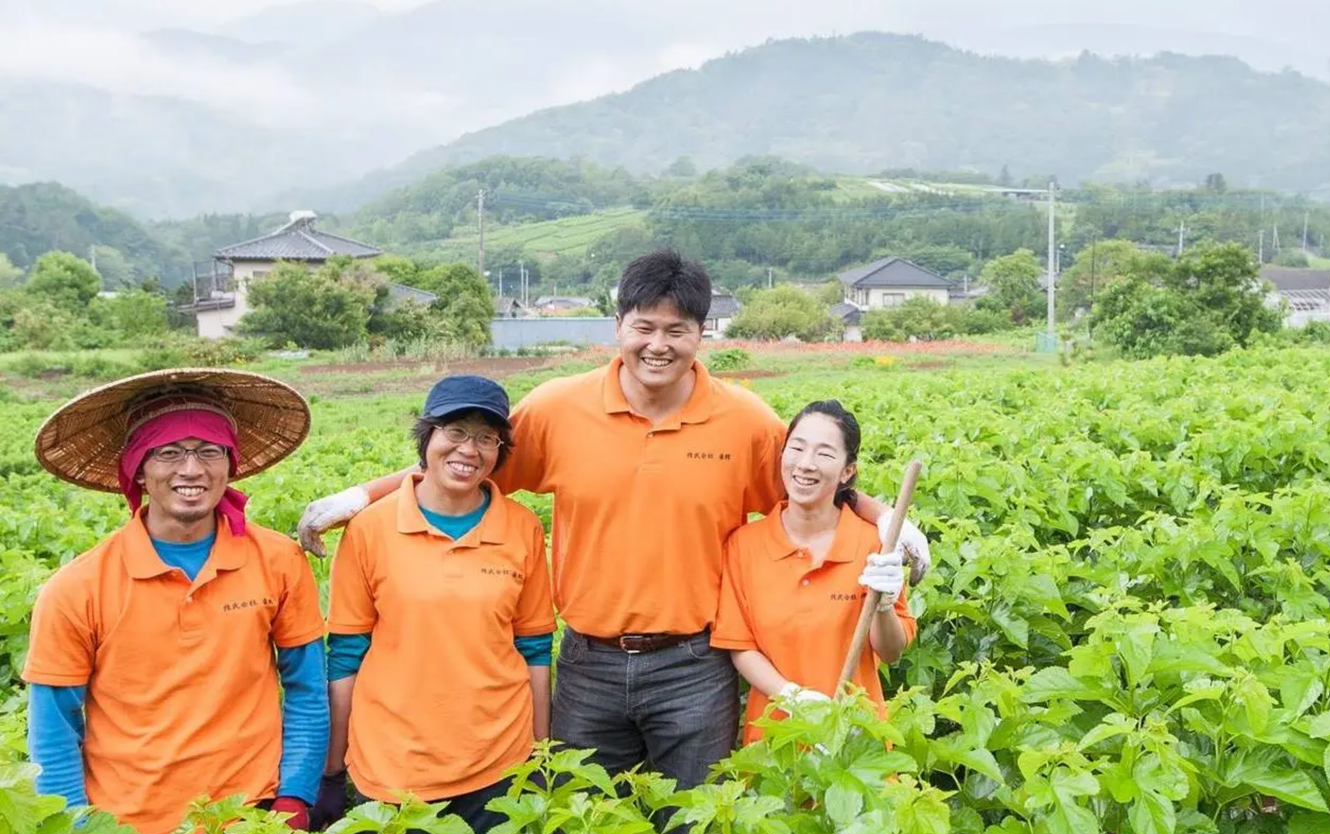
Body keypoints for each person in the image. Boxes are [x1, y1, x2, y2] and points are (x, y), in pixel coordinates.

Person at [296, 250, 931, 790]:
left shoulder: (743, 421)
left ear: (702, 334)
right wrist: (362, 497)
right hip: (588, 662)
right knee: (586, 825)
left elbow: (809, 483)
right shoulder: (558, 409)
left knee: (695, 825)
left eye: (677, 330)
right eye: (644, 326)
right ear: (618, 325)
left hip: (696, 664)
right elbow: (463, 464)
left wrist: (887, 519)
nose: (658, 345)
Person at [23, 369, 328, 834]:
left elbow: (307, 688)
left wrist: (295, 794)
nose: (191, 469)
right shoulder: (77, 587)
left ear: (230, 464)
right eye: (168, 452)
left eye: (209, 451)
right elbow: (53, 730)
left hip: (252, 819)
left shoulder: (279, 560)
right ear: (138, 469)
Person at [309, 375, 555, 834]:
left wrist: (541, 757)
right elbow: (345, 655)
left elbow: (535, 649)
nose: (469, 449)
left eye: (486, 438)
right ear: (426, 438)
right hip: (393, 766)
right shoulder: (370, 529)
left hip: (499, 762)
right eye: (455, 431)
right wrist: (332, 770)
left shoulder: (522, 527)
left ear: (500, 451)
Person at [712, 400, 917, 744]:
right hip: (775, 740)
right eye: (797, 448)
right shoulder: (744, 545)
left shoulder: (873, 544)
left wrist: (884, 605)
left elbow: (891, 651)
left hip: (856, 737)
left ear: (847, 471)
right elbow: (740, 647)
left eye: (824, 453)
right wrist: (791, 697)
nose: (806, 463)